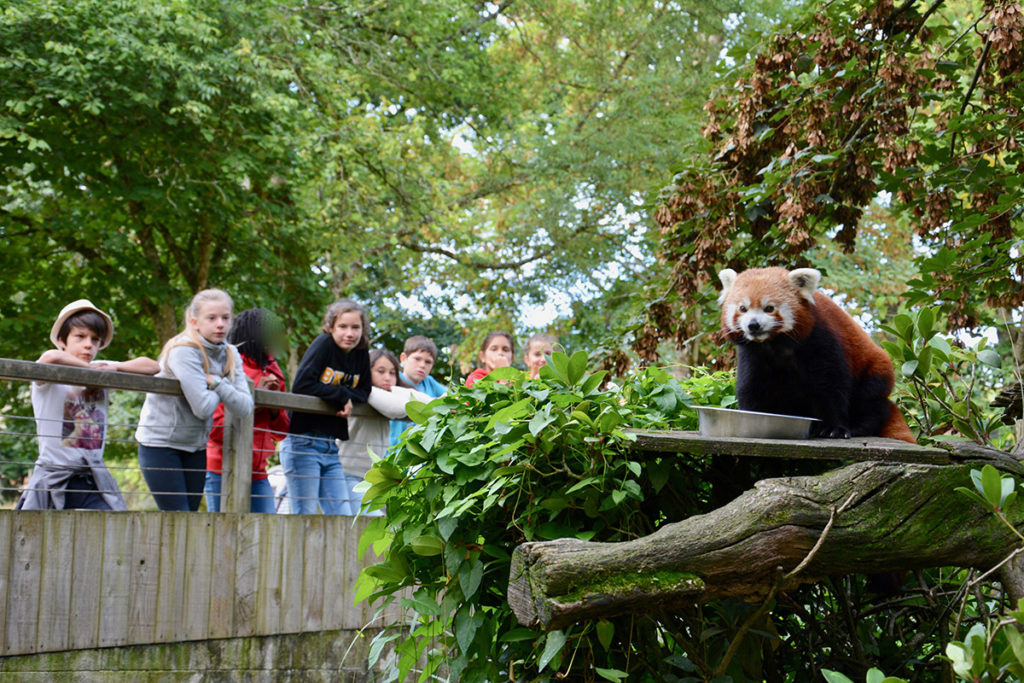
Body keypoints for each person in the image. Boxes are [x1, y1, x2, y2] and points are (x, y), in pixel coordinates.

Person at [18, 300, 160, 510]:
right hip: (53, 477)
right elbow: (51, 356)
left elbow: (153, 366)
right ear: (61, 340)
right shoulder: (49, 374)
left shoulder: (101, 368)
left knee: (109, 531)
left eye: (95, 340)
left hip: (91, 479)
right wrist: (92, 371)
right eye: (80, 337)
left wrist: (115, 368)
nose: (88, 345)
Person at [135, 289, 254, 511]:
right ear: (195, 321)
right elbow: (203, 407)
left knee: (190, 523)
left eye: (225, 318)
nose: (220, 324)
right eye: (212, 318)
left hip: (195, 448)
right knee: (177, 519)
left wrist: (217, 383)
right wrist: (223, 387)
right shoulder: (184, 351)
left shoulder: (230, 352)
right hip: (160, 445)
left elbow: (245, 407)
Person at [281, 299, 371, 514]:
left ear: (363, 330)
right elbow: (302, 384)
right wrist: (340, 395)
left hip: (331, 445)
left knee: (342, 517)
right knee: (305, 516)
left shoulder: (360, 352)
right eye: (342, 327)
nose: (349, 333)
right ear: (330, 327)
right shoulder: (324, 344)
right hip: (302, 441)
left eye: (355, 327)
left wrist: (345, 397)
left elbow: (364, 392)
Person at [204, 308, 289, 513]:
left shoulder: (274, 371)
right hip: (221, 470)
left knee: (266, 534)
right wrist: (255, 402)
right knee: (222, 534)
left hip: (259, 474)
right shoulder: (226, 365)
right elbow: (214, 428)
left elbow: (281, 432)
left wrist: (273, 404)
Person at [339, 349, 430, 515]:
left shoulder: (386, 394)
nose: (387, 378)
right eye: (380, 372)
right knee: (376, 522)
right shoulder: (364, 392)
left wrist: (439, 403)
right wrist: (435, 405)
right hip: (348, 476)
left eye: (392, 373)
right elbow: (397, 408)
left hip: (372, 479)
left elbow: (411, 395)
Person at [388, 335, 447, 447]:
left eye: (428, 362)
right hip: (394, 449)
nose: (422, 365)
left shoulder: (429, 382)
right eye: (417, 359)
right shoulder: (393, 379)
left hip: (422, 454)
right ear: (403, 358)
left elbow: (450, 396)